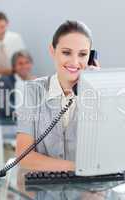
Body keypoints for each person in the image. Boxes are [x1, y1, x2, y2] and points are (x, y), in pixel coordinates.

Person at [16, 20, 100, 171]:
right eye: (66, 52)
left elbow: (107, 153)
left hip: (88, 192)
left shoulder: (97, 94)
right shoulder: (32, 91)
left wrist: (96, 87)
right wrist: (76, 168)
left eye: (82, 54)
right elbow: (24, 156)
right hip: (43, 191)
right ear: (52, 51)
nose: (75, 62)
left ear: (91, 58)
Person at [0, 50, 35, 119]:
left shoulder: (35, 81)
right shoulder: (4, 81)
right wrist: (26, 113)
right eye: (20, 64)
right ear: (14, 67)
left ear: (31, 64)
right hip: (9, 123)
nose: (24, 66)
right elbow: (5, 108)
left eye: (27, 62)